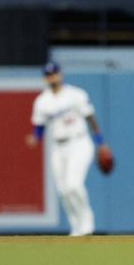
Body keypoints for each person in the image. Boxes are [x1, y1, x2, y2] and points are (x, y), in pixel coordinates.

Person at [25, 61, 109, 236]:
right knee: (63, 190)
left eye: (54, 73)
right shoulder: (42, 101)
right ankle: (76, 227)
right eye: (48, 75)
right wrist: (36, 138)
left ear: (60, 75)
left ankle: (87, 223)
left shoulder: (75, 95)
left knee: (73, 184)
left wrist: (101, 142)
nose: (51, 77)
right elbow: (39, 127)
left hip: (79, 143)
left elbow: (90, 117)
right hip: (58, 147)